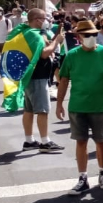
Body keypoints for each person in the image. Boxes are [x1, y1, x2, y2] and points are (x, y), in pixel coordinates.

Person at [56, 20, 103, 195]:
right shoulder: (72, 55)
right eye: (87, 35)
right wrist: (59, 104)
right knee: (81, 141)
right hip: (78, 105)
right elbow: (64, 80)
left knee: (101, 140)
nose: (91, 37)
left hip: (101, 105)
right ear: (79, 36)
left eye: (93, 34)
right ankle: (82, 177)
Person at [20, 9, 65, 153]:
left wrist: (50, 39)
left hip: (30, 76)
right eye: (44, 18)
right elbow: (44, 54)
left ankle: (29, 141)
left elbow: (42, 46)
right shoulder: (34, 34)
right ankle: (45, 143)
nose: (47, 21)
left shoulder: (28, 32)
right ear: (36, 19)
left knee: (29, 110)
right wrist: (57, 41)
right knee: (42, 110)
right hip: (38, 76)